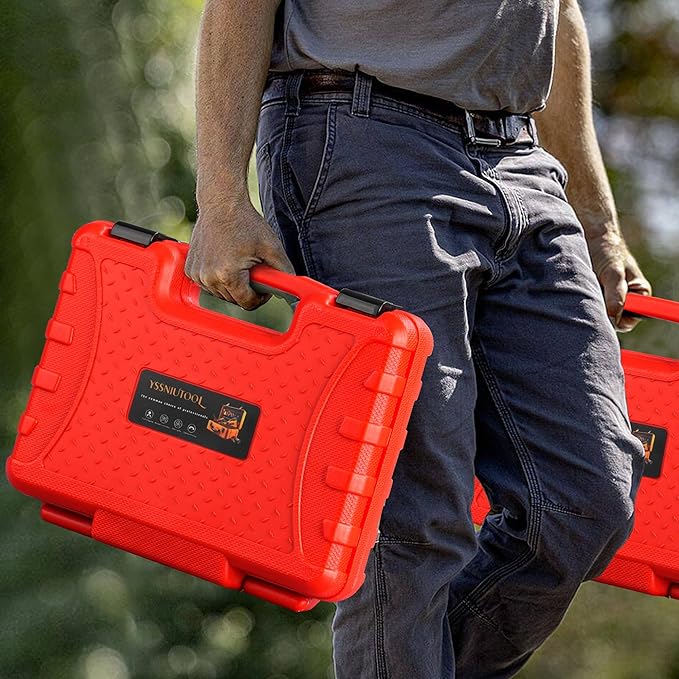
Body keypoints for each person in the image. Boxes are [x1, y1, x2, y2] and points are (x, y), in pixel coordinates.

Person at [186, 1, 652, 676]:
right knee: (412, 517)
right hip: (366, 137)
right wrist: (222, 196)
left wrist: (598, 222)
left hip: (523, 160)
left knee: (587, 500)